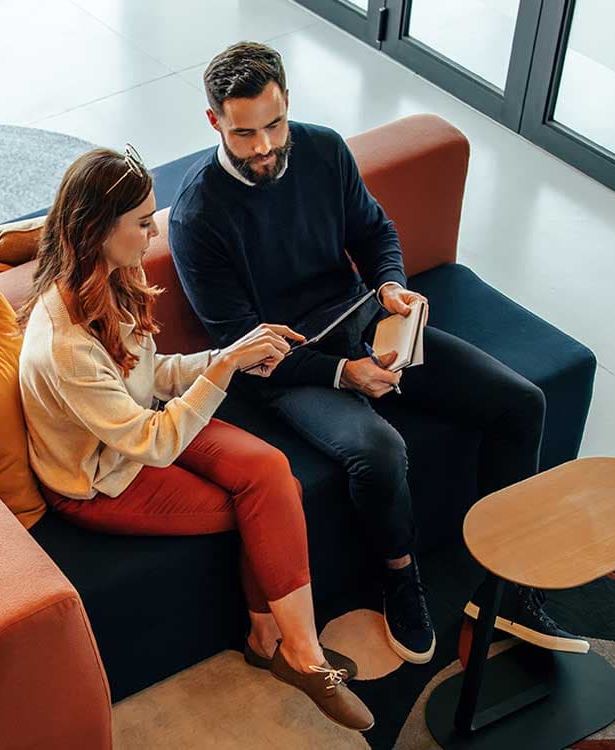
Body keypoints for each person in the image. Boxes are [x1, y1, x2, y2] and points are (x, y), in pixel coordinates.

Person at [168, 41, 589, 662]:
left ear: (288, 103)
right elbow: (243, 345)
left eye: (274, 124)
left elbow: (373, 230)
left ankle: (508, 587)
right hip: (284, 367)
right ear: (214, 123)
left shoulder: (324, 149)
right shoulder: (198, 215)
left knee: (520, 402)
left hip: (363, 322)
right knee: (379, 451)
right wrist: (344, 373)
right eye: (244, 133)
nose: (263, 147)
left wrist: (390, 282)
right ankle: (399, 576)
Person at [17, 145, 375, 731]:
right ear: (99, 229)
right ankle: (302, 657)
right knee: (259, 505)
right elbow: (153, 443)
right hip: (99, 480)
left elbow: (150, 375)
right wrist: (222, 372)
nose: (152, 234)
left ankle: (271, 642)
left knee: (271, 473)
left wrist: (228, 354)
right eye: (140, 223)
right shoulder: (66, 346)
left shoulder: (112, 276)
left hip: (145, 424)